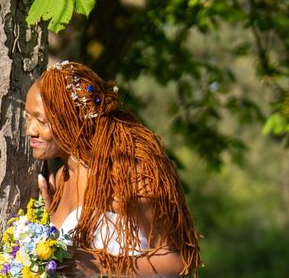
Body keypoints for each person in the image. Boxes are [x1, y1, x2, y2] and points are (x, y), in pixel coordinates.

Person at [24, 61, 202, 277]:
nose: (30, 130)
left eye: (41, 121)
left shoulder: (128, 170)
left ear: (73, 119)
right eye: (28, 117)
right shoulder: (60, 179)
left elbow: (179, 262)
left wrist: (97, 265)